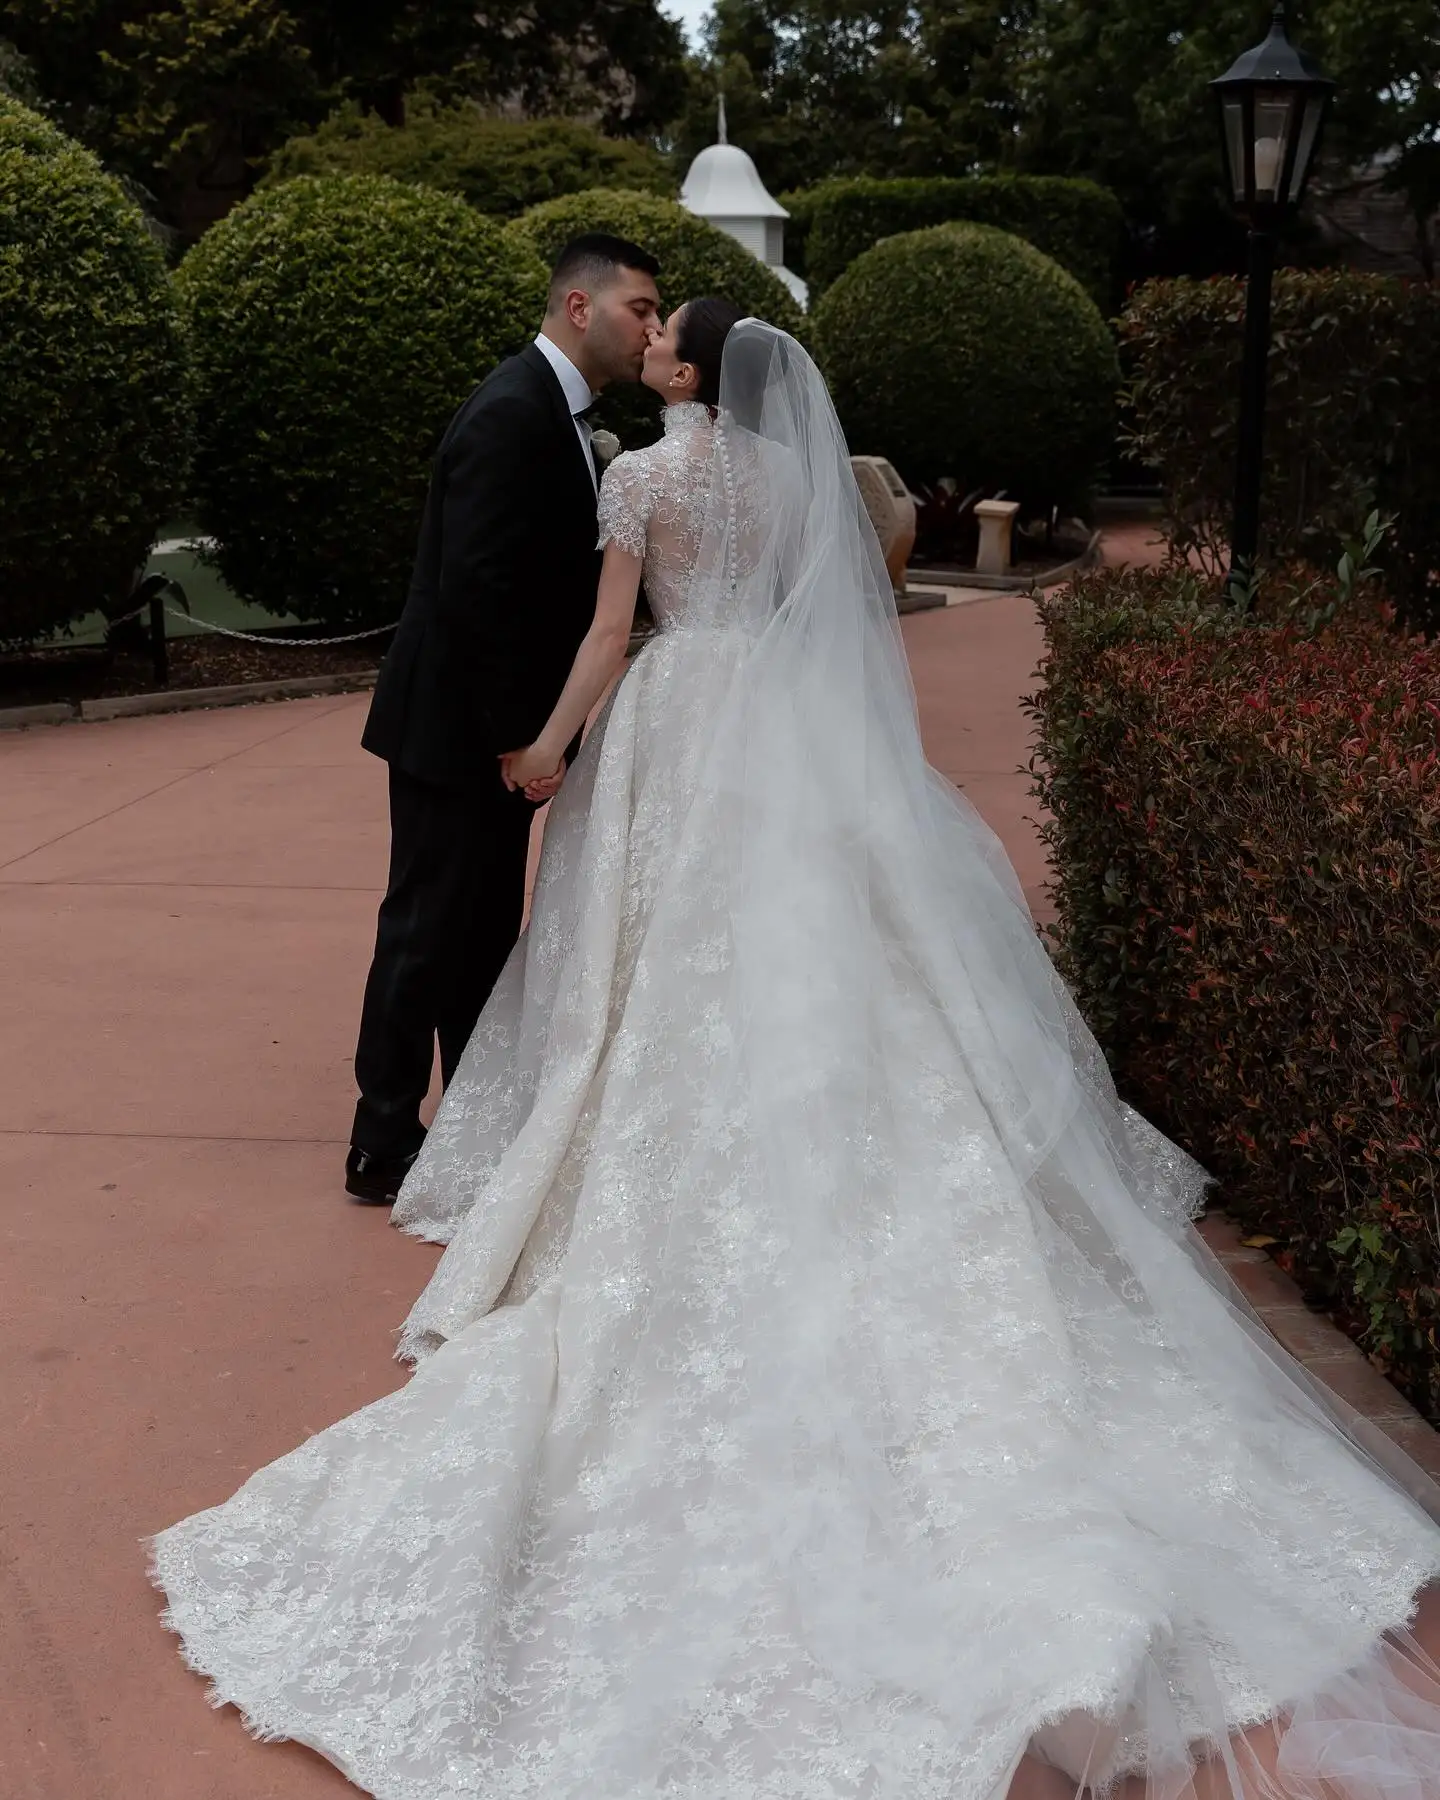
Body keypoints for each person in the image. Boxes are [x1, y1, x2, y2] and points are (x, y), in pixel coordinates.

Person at [153, 308, 1440, 1800]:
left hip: (678, 723)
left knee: (649, 953)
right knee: (828, 947)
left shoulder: (643, 478)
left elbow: (608, 628)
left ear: (695, 373)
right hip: (789, 725)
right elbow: (831, 602)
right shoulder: (797, 479)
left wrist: (554, 744)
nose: (649, 342)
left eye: (666, 337)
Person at [344, 233, 662, 1205]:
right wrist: (519, 741)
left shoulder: (560, 414)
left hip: (489, 731)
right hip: (458, 735)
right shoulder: (510, 413)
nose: (650, 325)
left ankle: (465, 1124)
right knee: (427, 931)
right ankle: (381, 1142)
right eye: (638, 309)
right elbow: (473, 594)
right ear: (579, 308)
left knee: (480, 936)